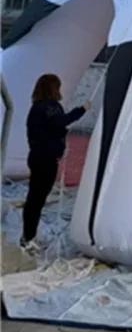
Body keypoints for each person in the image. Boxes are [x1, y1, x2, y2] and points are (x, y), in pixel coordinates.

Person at [21, 74, 90, 251]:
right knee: (36, 199)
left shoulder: (36, 107)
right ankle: (28, 237)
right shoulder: (50, 107)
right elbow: (62, 121)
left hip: (37, 156)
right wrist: (82, 109)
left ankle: (28, 235)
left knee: (34, 198)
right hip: (46, 159)